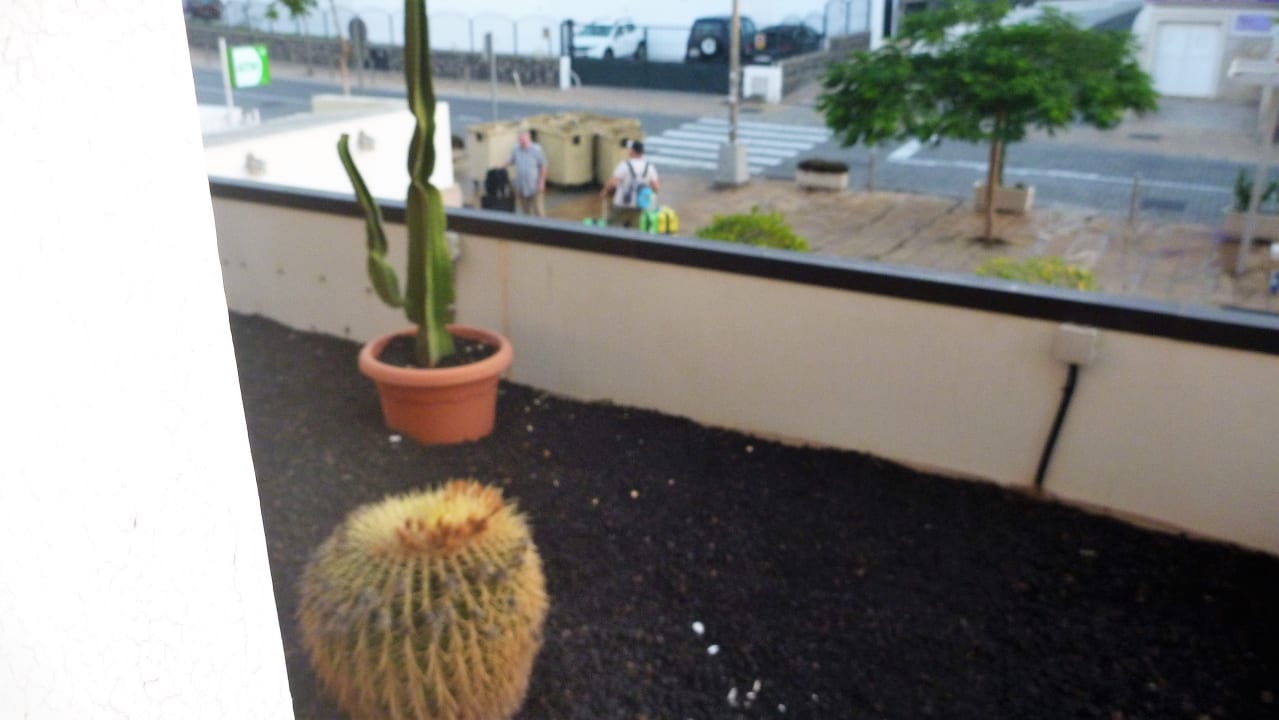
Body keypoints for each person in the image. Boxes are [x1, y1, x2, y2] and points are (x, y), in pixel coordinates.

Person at [600, 140, 660, 228]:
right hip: (638, 206)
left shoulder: (624, 165)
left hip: (621, 204)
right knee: (633, 232)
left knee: (611, 229)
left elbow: (613, 183)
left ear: (632, 151)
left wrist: (604, 192)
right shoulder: (649, 167)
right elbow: (656, 187)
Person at [507, 131, 547, 217]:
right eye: (520, 140)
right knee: (525, 211)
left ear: (529, 139)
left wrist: (542, 182)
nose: (522, 142)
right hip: (521, 186)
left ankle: (542, 225)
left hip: (535, 186)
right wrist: (500, 167)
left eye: (523, 140)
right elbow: (511, 161)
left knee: (538, 210)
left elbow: (543, 165)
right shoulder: (516, 149)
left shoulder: (537, 149)